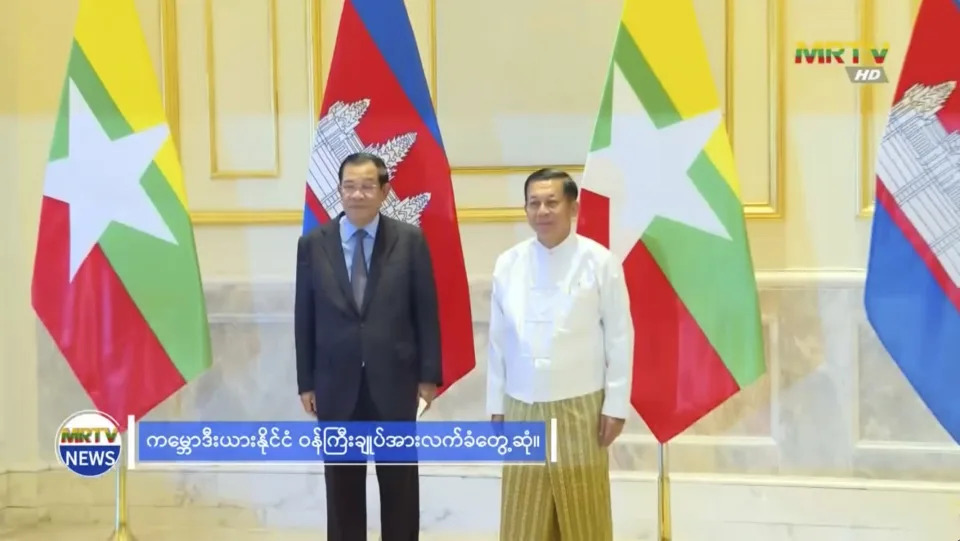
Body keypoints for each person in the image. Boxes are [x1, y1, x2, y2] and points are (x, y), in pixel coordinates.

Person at [294, 152, 442, 541]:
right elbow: (304, 317)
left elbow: (425, 309)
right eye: (349, 186)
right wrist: (306, 382)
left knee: (400, 486)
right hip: (334, 384)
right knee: (341, 489)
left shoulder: (409, 240)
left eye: (367, 186)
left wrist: (429, 376)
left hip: (395, 382)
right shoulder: (313, 244)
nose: (357, 194)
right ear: (339, 190)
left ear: (384, 191)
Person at [486, 168, 634, 540]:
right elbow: (498, 340)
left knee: (583, 514)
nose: (543, 211)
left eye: (552, 202)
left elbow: (620, 336)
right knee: (524, 515)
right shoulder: (508, 263)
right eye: (534, 203)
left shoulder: (600, 262)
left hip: (580, 408)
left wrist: (615, 405)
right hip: (521, 405)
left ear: (573, 207)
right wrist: (496, 404)